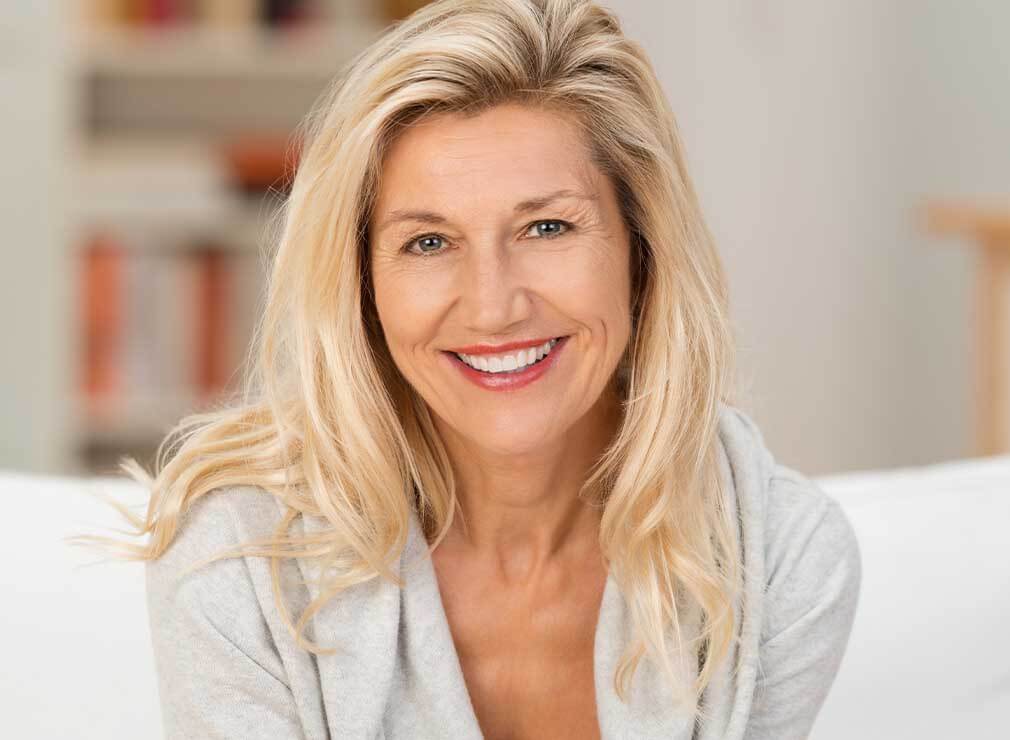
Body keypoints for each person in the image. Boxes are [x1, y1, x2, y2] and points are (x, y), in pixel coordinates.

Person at [73, 1, 862, 737]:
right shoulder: (239, 553)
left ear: (641, 252)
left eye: (547, 227)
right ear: (363, 285)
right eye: (428, 242)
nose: (492, 307)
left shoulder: (778, 560)